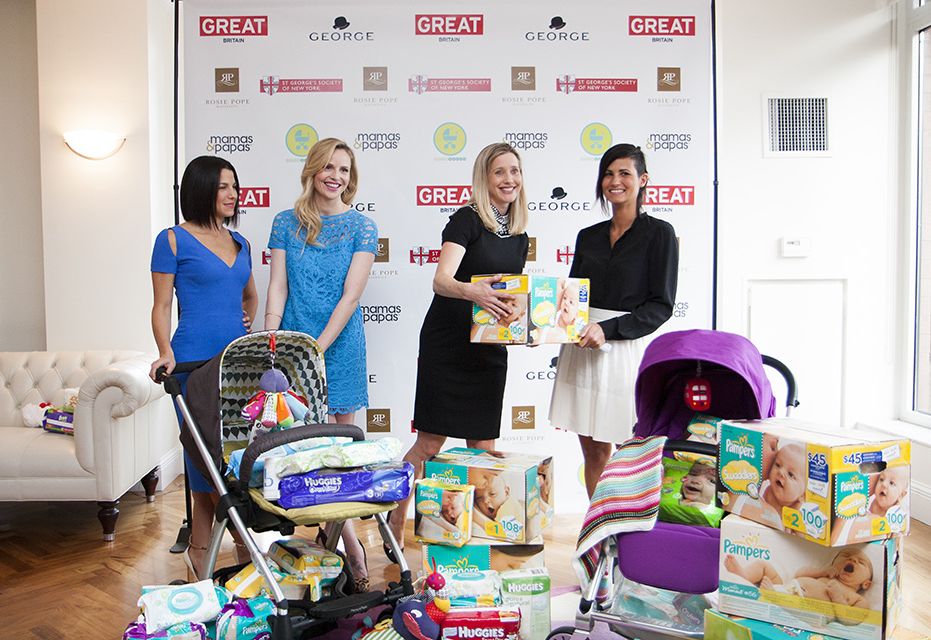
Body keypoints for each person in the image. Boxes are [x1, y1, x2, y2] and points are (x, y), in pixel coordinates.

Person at [385, 142, 531, 556]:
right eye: (500, 172)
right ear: (484, 178)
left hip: (487, 351)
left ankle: (472, 539)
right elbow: (441, 281)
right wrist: (475, 293)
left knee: (483, 450)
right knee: (430, 444)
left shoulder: (519, 234)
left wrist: (527, 326)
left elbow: (509, 297)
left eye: (515, 171)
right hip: (448, 344)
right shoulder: (465, 219)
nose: (509, 180)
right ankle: (395, 519)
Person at [263, 138, 377, 592]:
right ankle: (349, 543)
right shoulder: (285, 223)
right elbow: (277, 288)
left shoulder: (362, 227)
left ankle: (337, 546)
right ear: (312, 170)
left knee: (340, 451)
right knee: (305, 450)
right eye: (329, 167)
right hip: (291, 344)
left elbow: (351, 296)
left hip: (342, 345)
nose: (336, 176)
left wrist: (320, 347)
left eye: (345, 170)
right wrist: (272, 339)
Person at [149, 155, 258, 577]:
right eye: (222, 187)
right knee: (202, 459)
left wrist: (245, 319)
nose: (232, 194)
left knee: (231, 460)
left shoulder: (241, 243)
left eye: (235, 186)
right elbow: (160, 306)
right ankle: (226, 545)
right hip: (190, 363)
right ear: (200, 190)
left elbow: (249, 297)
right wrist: (164, 351)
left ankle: (209, 548)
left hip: (237, 367)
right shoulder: (172, 240)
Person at [549, 143, 678, 498]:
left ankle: (629, 539)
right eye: (608, 173)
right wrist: (543, 323)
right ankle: (599, 537)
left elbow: (660, 306)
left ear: (643, 180)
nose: (615, 181)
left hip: (624, 349)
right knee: (593, 451)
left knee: (628, 453)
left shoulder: (660, 234)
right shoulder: (588, 236)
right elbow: (571, 296)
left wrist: (606, 330)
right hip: (580, 347)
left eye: (624, 173)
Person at [724, 548, 874, 624]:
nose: (853, 559)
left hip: (809, 608)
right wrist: (821, 571)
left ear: (866, 583)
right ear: (833, 563)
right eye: (846, 556)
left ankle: (774, 598)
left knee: (815, 616)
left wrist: (838, 597)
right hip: (786, 587)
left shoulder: (857, 599)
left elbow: (852, 619)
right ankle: (743, 575)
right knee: (764, 565)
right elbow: (799, 574)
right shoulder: (825, 574)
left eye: (861, 563)